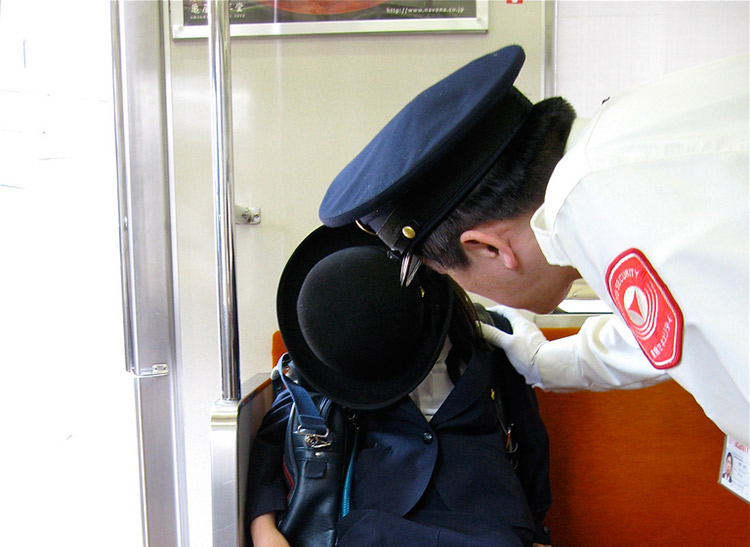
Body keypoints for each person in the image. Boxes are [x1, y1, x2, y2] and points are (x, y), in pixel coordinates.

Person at [318, 45, 749, 444]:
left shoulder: (597, 200)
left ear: (489, 247)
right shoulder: (620, 147)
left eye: (453, 274)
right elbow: (671, 324)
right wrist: (545, 361)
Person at [246, 224, 553, 546]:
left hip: (488, 516)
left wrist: (537, 530)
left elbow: (530, 438)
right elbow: (276, 435)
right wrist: (262, 527)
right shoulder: (336, 339)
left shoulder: (495, 336)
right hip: (380, 517)